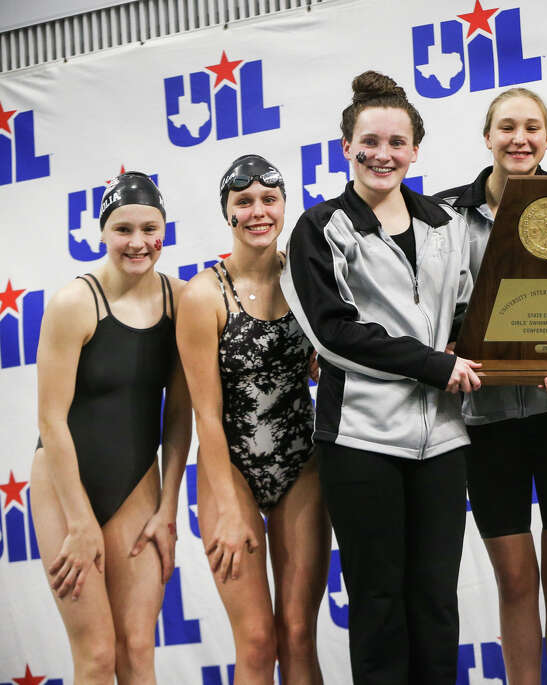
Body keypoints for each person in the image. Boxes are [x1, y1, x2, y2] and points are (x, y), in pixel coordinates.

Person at [280, 70, 477, 684]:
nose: (382, 154)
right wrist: (436, 364)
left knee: (437, 602)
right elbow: (333, 333)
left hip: (443, 440)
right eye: (369, 141)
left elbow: (472, 308)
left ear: (415, 150)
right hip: (361, 441)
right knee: (379, 602)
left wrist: (471, 346)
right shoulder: (320, 228)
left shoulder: (448, 224)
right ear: (346, 148)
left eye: (397, 142)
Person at [434, 87, 547, 685]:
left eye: (532, 128)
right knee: (515, 580)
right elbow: (434, 311)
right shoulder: (444, 216)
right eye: (507, 127)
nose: (520, 139)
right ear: (487, 137)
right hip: (485, 418)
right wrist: (446, 348)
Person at [30, 172, 191, 685]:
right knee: (97, 656)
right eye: (123, 229)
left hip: (136, 484)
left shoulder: (180, 301)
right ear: (102, 233)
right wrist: (79, 522)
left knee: (138, 648)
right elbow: (50, 420)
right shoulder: (73, 304)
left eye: (150, 229)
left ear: (164, 231)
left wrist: (168, 508)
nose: (138, 242)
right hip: (62, 484)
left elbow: (180, 415)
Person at [176, 155, 329, 684]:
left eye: (269, 199)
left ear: (284, 206)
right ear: (228, 213)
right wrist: (227, 510)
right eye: (244, 202)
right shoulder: (202, 296)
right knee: (258, 641)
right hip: (228, 470)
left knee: (299, 635)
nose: (258, 211)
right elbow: (206, 414)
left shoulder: (306, 280)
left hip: (300, 464)